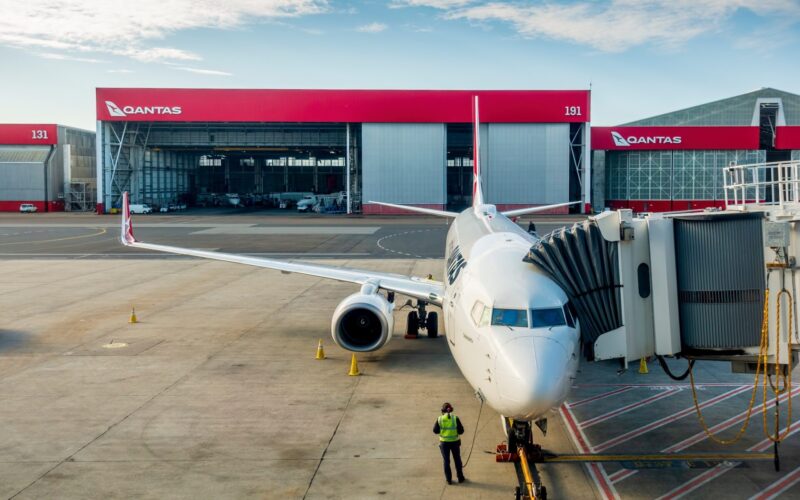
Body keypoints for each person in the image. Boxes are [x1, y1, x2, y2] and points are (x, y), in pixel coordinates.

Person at [433, 402, 465, 484]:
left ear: (442, 410)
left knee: (446, 461)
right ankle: (460, 477)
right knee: (457, 459)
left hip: (444, 443)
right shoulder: (455, 418)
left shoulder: (440, 419)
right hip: (455, 442)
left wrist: (443, 430)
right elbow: (461, 431)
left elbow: (435, 431)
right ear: (451, 410)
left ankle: (449, 480)